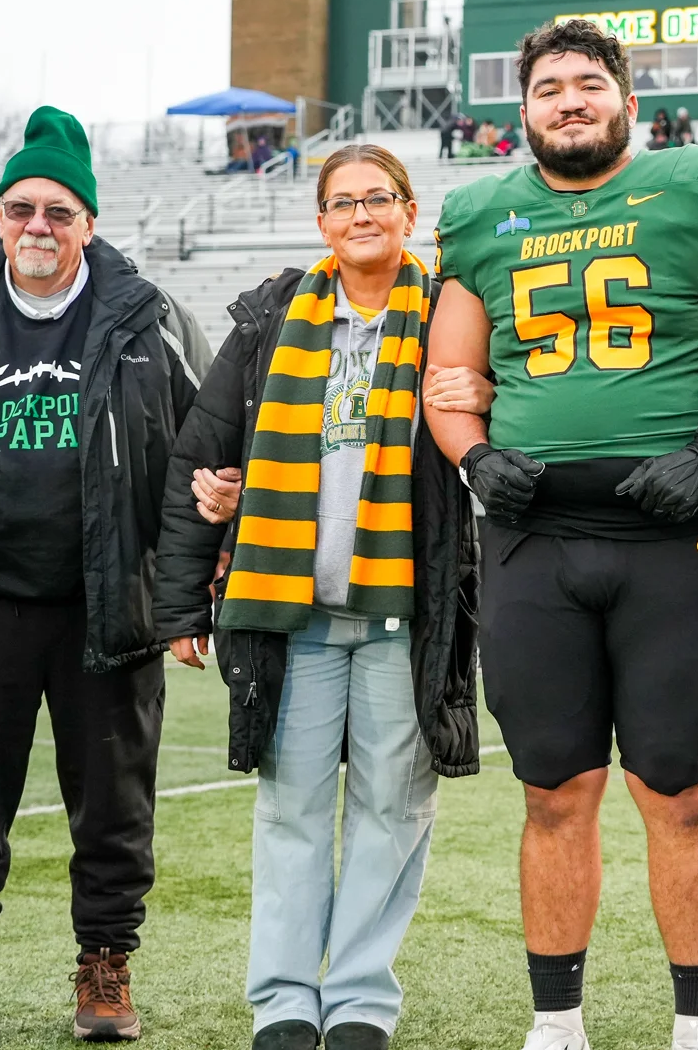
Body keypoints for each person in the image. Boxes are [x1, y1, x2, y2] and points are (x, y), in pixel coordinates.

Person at [424, 18, 698, 1050]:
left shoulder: (696, 188)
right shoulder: (481, 213)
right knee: (553, 789)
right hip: (534, 534)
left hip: (669, 532)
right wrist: (472, 456)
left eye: (588, 83)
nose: (569, 100)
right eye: (549, 87)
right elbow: (449, 380)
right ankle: (556, 1023)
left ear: (628, 103)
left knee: (678, 789)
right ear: (523, 111)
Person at [0, 105, 215, 1047]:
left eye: (59, 211)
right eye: (21, 209)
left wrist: (192, 592)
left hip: (112, 605)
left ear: (89, 221)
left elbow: (214, 449)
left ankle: (106, 965)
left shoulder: (149, 316)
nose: (38, 227)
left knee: (115, 806)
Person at [152, 145, 491, 1050]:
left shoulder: (455, 316)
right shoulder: (271, 320)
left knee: (393, 809)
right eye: (343, 202)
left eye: (379, 198)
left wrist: (486, 388)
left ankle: (360, 999)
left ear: (410, 212)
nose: (361, 215)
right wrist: (182, 600)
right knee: (290, 809)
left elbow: (501, 435)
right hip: (289, 614)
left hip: (404, 610)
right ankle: (285, 999)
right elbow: (200, 459)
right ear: (321, 222)